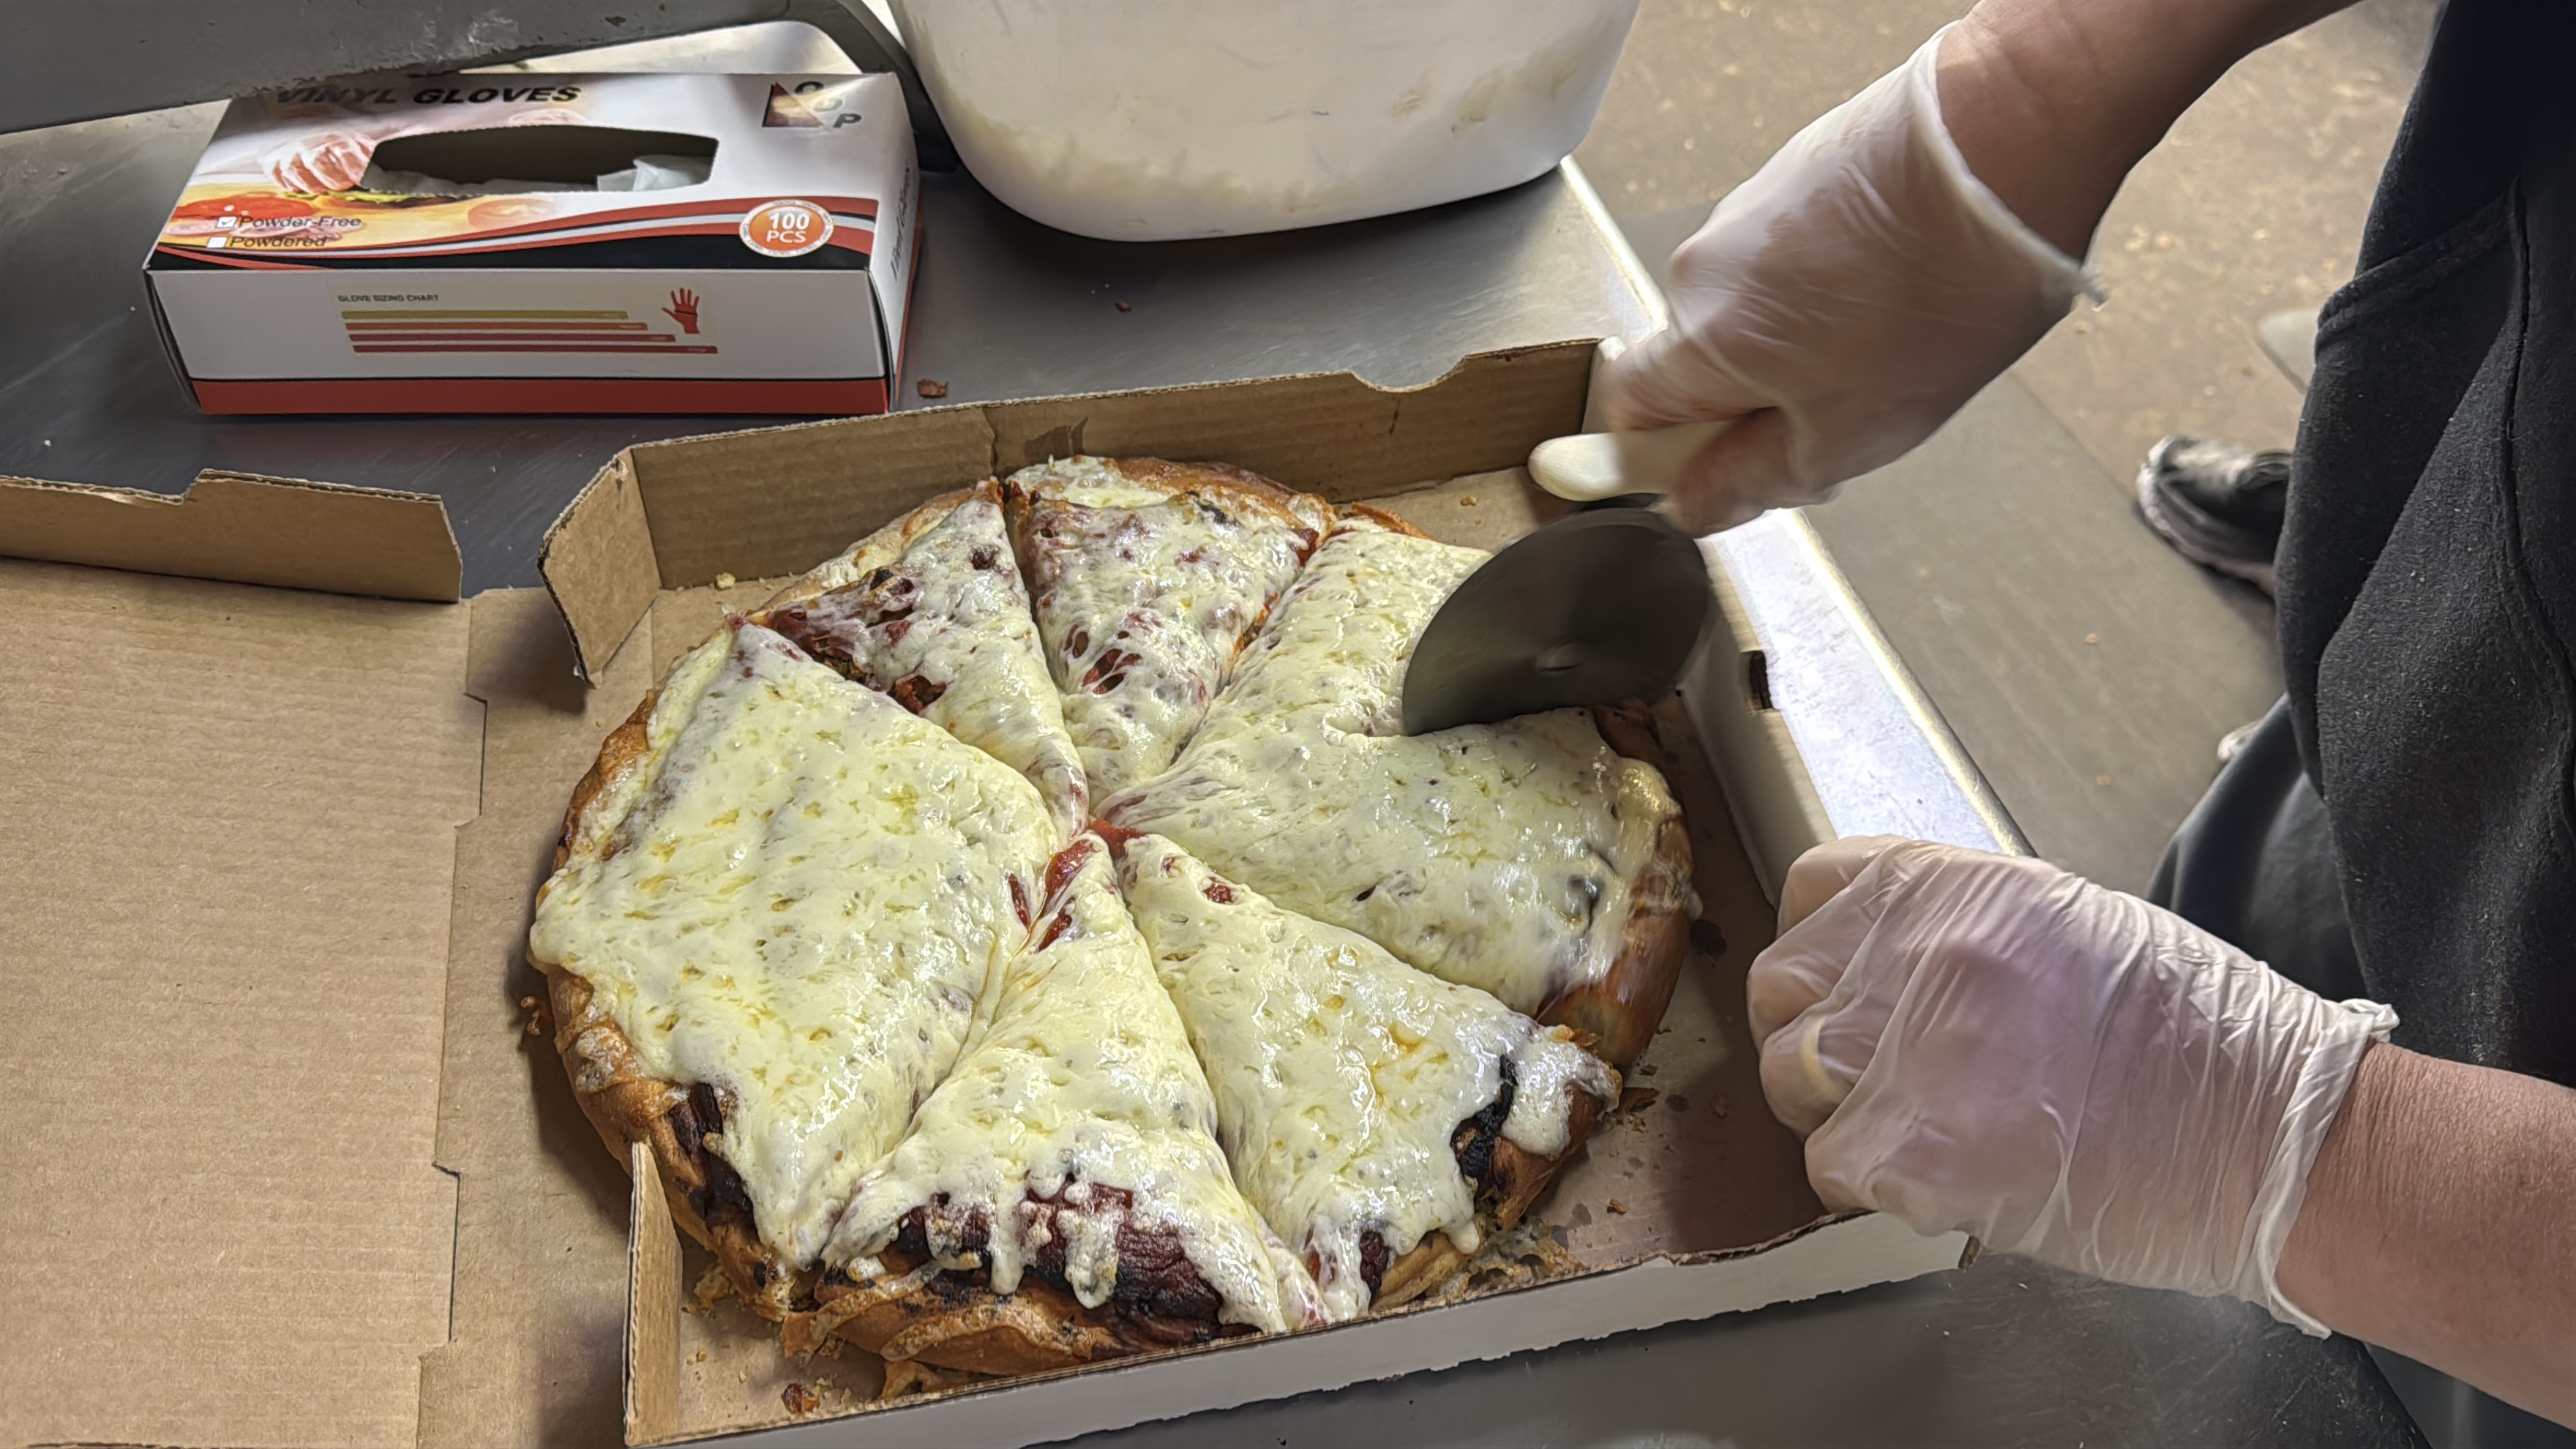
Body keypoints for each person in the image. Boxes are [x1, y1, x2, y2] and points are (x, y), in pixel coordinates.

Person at [1596, 0, 2575, 1428]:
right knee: (2281, 888)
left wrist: (2318, 1160)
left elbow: (2242, 1127)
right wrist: (2047, 79)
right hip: (2480, 558)